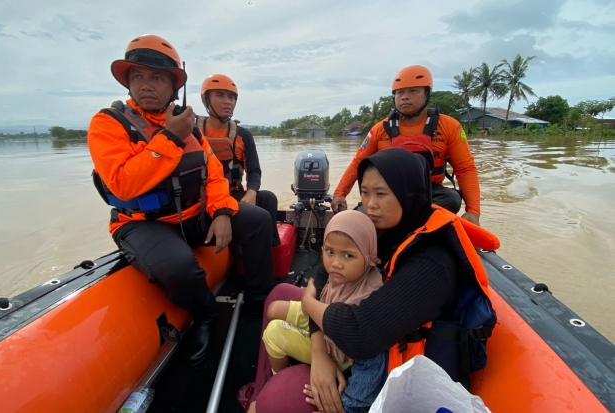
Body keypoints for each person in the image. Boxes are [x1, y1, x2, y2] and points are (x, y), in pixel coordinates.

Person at [246, 149, 496, 413]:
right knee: (279, 294)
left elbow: (359, 334)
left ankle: (266, 397)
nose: (370, 203)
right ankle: (258, 388)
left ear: (408, 192)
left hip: (373, 367)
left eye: (381, 193)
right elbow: (322, 276)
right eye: (365, 192)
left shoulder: (432, 262)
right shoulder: (383, 226)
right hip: (340, 330)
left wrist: (309, 304)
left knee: (277, 401)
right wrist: (319, 352)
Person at [87, 34, 275, 366]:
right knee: (178, 268)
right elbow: (124, 183)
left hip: (193, 213)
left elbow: (214, 174)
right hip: (144, 224)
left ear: (173, 86)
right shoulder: (108, 124)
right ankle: (206, 314)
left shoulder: (190, 127)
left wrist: (220, 211)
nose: (146, 84)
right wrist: (170, 137)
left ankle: (259, 302)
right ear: (127, 83)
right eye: (138, 76)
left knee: (258, 220)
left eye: (157, 77)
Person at [261, 210, 386, 412]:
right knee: (275, 309)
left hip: (338, 353)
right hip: (323, 322)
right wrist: (310, 297)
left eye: (348, 255)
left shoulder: (366, 301)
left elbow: (372, 364)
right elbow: (321, 292)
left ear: (369, 256)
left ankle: (280, 376)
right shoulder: (344, 275)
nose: (335, 263)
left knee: (274, 333)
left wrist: (350, 405)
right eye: (329, 252)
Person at [331, 65, 482, 226]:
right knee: (354, 224)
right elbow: (358, 162)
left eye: (413, 91)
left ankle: (408, 226)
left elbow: (465, 169)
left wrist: (473, 211)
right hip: (386, 194)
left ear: (426, 95)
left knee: (452, 199)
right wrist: (340, 193)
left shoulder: (449, 126)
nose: (405, 97)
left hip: (428, 194)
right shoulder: (380, 129)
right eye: (400, 92)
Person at [197, 74, 280, 245]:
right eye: (220, 95)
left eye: (231, 97)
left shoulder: (243, 135)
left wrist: (251, 192)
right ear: (206, 100)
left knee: (268, 198)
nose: (227, 101)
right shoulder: (191, 131)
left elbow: (254, 171)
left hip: (231, 194)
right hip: (200, 200)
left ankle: (270, 249)